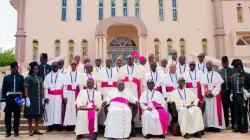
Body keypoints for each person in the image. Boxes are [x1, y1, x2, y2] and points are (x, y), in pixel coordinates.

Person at [118, 55, 144, 127]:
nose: (129, 60)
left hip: (135, 89)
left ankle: (135, 122)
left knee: (135, 103)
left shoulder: (138, 68)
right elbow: (120, 80)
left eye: (130, 59)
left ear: (133, 59)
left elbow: (141, 80)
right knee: (126, 104)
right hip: (125, 89)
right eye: (127, 59)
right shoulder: (122, 68)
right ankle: (125, 122)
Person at [201, 60, 225, 132]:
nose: (208, 65)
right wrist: (205, 93)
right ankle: (208, 126)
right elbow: (202, 86)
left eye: (209, 64)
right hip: (207, 95)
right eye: (207, 64)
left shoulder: (216, 74)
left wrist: (213, 93)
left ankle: (216, 126)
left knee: (215, 110)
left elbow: (218, 85)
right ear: (206, 66)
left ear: (212, 66)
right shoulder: (203, 75)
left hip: (215, 96)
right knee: (207, 110)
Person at [1, 61, 24, 137]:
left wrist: (23, 99)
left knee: (17, 115)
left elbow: (22, 89)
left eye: (16, 67)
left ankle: (16, 131)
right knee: (8, 115)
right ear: (11, 68)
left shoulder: (21, 77)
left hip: (17, 97)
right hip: (9, 98)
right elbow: (3, 90)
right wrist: (3, 101)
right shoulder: (6, 78)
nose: (15, 69)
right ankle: (8, 131)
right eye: (14, 68)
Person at [24, 62, 44, 136]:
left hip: (38, 99)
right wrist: (27, 98)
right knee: (30, 115)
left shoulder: (40, 78)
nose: (36, 69)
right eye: (35, 68)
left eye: (37, 68)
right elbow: (26, 88)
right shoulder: (28, 78)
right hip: (31, 98)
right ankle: (30, 130)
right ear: (32, 69)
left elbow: (42, 89)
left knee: (38, 115)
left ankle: (36, 129)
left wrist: (42, 98)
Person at [97, 57, 119, 126]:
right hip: (104, 90)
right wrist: (100, 92)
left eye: (110, 61)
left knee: (113, 105)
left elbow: (117, 81)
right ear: (105, 62)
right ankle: (103, 123)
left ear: (112, 62)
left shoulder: (115, 70)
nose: (109, 62)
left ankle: (112, 122)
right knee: (104, 105)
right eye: (107, 61)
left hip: (113, 90)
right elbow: (98, 82)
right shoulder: (101, 70)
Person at [230, 59, 250, 133]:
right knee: (237, 112)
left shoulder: (247, 75)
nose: (235, 69)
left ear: (240, 67)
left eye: (236, 67)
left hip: (243, 96)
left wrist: (248, 92)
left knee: (244, 112)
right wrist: (232, 93)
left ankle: (245, 127)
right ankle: (238, 126)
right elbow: (232, 86)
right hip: (236, 96)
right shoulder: (234, 76)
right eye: (235, 68)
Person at [63, 60, 83, 131]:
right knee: (69, 109)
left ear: (76, 65)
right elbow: (65, 86)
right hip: (68, 93)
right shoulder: (67, 74)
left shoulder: (80, 74)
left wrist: (81, 95)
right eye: (72, 64)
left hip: (77, 92)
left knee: (76, 109)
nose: (73, 65)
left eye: (75, 64)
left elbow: (81, 86)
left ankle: (75, 125)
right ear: (70, 65)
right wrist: (64, 96)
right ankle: (69, 125)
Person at [44, 62, 64, 132]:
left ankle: (58, 125)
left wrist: (63, 97)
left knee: (58, 110)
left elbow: (63, 87)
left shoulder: (62, 76)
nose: (55, 68)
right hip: (50, 96)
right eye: (53, 66)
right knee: (50, 110)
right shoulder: (47, 76)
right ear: (51, 67)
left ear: (58, 67)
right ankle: (50, 126)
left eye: (56, 66)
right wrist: (46, 97)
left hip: (58, 96)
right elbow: (45, 88)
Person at [217, 56, 235, 129]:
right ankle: (226, 124)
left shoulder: (233, 70)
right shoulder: (218, 72)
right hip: (223, 94)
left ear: (228, 62)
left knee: (233, 109)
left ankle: (234, 124)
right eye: (223, 62)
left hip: (231, 93)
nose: (224, 64)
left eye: (226, 62)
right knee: (224, 109)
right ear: (221, 63)